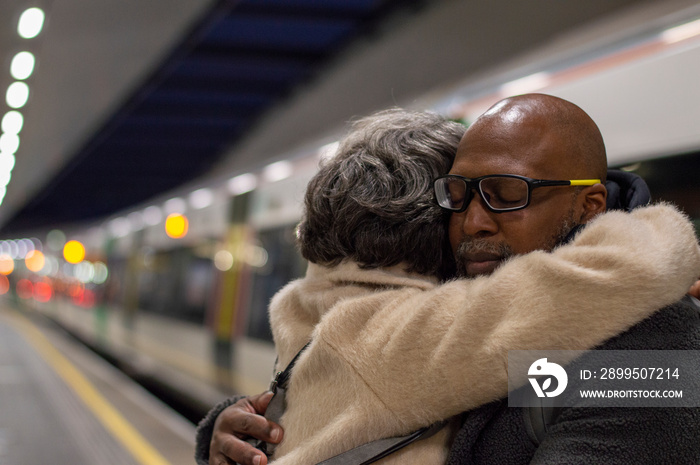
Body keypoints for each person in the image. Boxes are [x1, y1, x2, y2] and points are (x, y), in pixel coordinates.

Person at [196, 100, 700, 465]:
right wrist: (236, 431)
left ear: (590, 206)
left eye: (507, 193)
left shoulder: (650, 351)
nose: (473, 221)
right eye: (458, 195)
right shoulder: (452, 299)